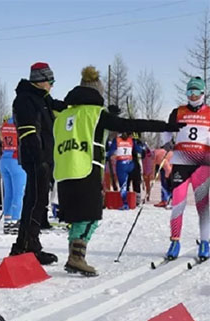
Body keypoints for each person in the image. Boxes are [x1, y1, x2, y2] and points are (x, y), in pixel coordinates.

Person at [52, 66, 182, 276]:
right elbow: (131, 123)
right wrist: (165, 126)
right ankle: (77, 257)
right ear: (97, 93)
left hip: (64, 171)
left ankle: (74, 256)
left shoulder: (64, 114)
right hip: (86, 169)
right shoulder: (96, 114)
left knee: (77, 217)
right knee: (91, 216)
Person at [10, 62, 66, 264]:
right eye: (51, 81)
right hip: (36, 158)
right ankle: (25, 246)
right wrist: (39, 158)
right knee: (35, 202)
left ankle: (29, 244)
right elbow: (28, 131)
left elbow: (60, 106)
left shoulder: (42, 99)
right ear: (42, 81)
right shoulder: (26, 99)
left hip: (44, 158)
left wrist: (82, 102)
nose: (52, 85)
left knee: (38, 201)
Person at [160, 77, 210, 261]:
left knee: (203, 206)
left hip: (202, 165)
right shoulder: (178, 112)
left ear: (203, 93)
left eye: (196, 92)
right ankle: (175, 241)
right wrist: (167, 143)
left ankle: (205, 242)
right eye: (190, 92)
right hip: (181, 163)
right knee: (178, 204)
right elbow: (166, 129)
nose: (193, 96)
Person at [0, 117, 26, 234]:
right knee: (19, 193)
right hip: (16, 160)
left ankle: (7, 221)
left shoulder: (6, 124)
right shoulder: (21, 122)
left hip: (4, 159)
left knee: (8, 193)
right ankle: (16, 221)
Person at [105, 132, 146, 209]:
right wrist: (143, 150)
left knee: (125, 184)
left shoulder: (117, 140)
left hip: (122, 163)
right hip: (131, 163)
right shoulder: (131, 141)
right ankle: (134, 200)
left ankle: (127, 202)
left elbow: (111, 151)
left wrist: (106, 155)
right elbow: (141, 151)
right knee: (133, 181)